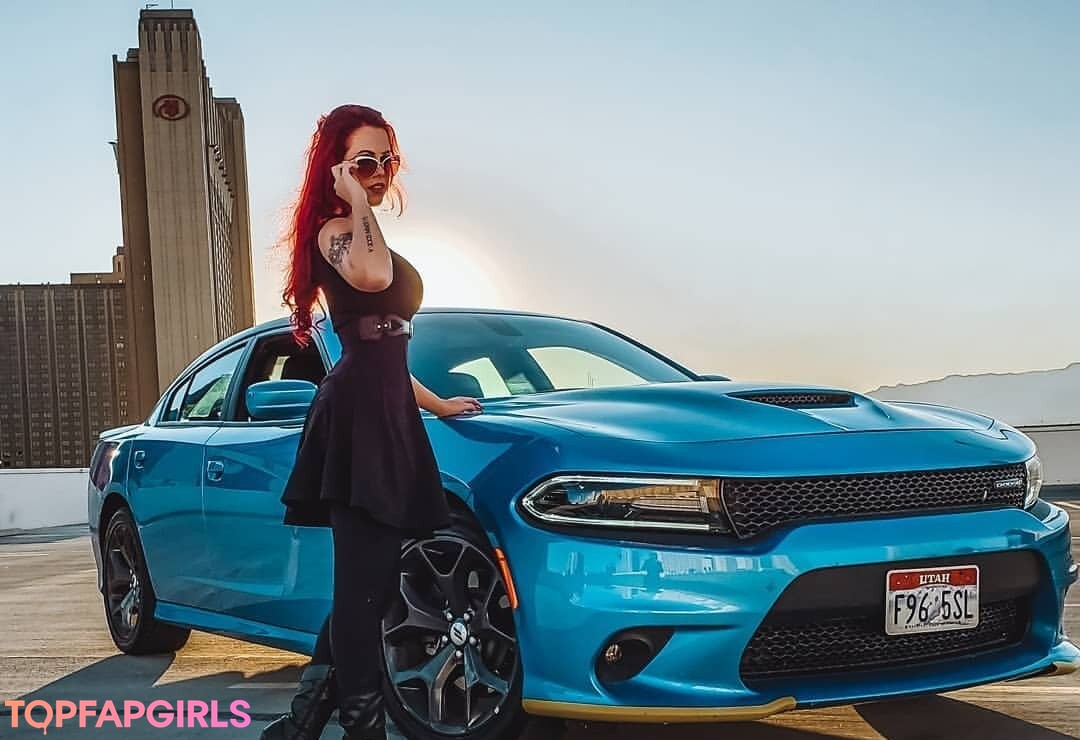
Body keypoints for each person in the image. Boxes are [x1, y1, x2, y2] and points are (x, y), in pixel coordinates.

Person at [262, 104, 483, 740]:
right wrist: (357, 200)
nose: (381, 172)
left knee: (375, 584)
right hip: (357, 419)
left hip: (387, 412)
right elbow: (375, 276)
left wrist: (438, 405)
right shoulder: (336, 230)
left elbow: (387, 350)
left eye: (387, 160)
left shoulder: (360, 230)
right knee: (364, 589)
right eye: (365, 161)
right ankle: (363, 728)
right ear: (335, 168)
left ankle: (304, 720)